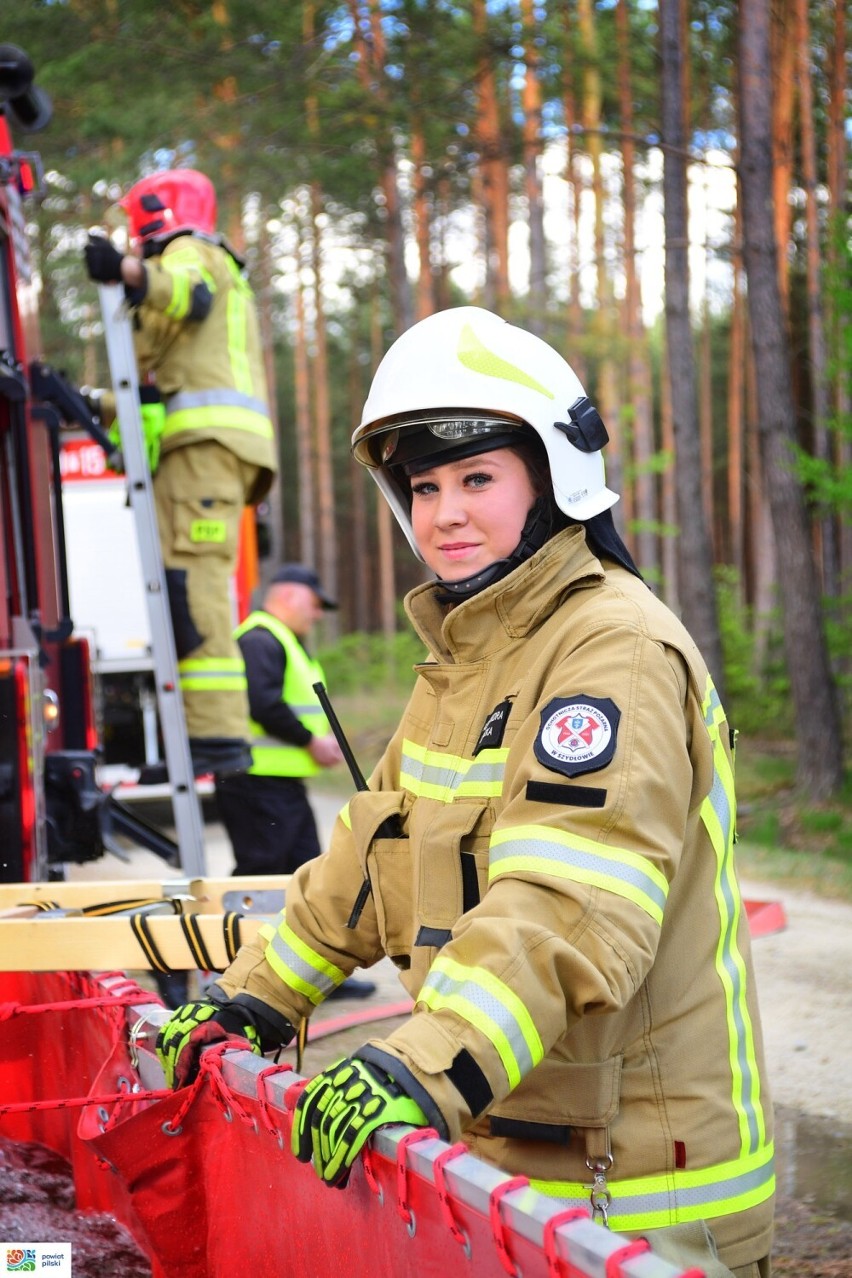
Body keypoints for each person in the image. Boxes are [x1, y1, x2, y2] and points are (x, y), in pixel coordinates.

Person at [156, 307, 774, 1277]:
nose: (443, 513)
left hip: (636, 1200)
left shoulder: (611, 648)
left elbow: (568, 906)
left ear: (554, 480)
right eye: (425, 486)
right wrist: (257, 999)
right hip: (514, 1169)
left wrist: (421, 1061)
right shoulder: (471, 652)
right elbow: (370, 853)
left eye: (477, 479)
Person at [83, 169, 278, 779]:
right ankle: (205, 733)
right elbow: (152, 383)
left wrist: (126, 271)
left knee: (194, 589)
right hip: (202, 451)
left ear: (157, 214)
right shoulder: (210, 280)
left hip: (206, 449)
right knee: (183, 587)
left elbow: (183, 293)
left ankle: (216, 739)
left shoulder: (193, 252)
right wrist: (89, 401)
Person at [215, 563, 344, 876]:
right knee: (262, 876)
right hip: (256, 783)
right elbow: (263, 704)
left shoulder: (279, 640)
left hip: (277, 784)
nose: (317, 615)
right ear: (288, 595)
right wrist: (311, 742)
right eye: (314, 605)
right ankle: (243, 927)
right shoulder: (260, 640)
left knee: (303, 874)